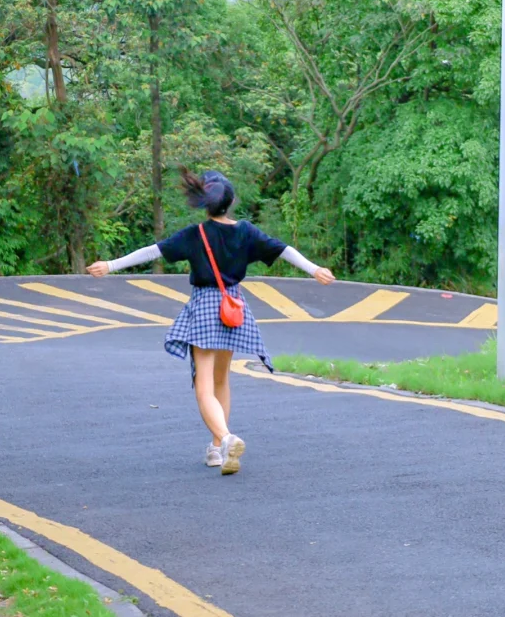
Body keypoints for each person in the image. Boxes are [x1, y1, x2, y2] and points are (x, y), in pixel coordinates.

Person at [87, 168, 335, 475]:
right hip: (233, 307)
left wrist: (111, 265)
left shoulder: (196, 235)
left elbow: (154, 251)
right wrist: (314, 270)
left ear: (206, 204)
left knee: (203, 386)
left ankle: (227, 438)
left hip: (205, 307)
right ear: (230, 203)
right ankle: (217, 449)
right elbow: (282, 249)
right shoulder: (246, 231)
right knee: (222, 379)